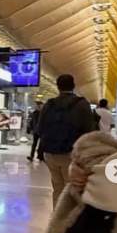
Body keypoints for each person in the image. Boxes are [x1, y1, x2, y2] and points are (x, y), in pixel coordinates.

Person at [38, 74, 96, 206]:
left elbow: (40, 129)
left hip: (50, 153)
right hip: (71, 154)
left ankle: (57, 217)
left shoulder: (49, 104)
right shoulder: (82, 104)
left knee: (57, 188)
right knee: (72, 189)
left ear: (58, 87)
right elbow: (89, 131)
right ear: (73, 86)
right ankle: (69, 221)